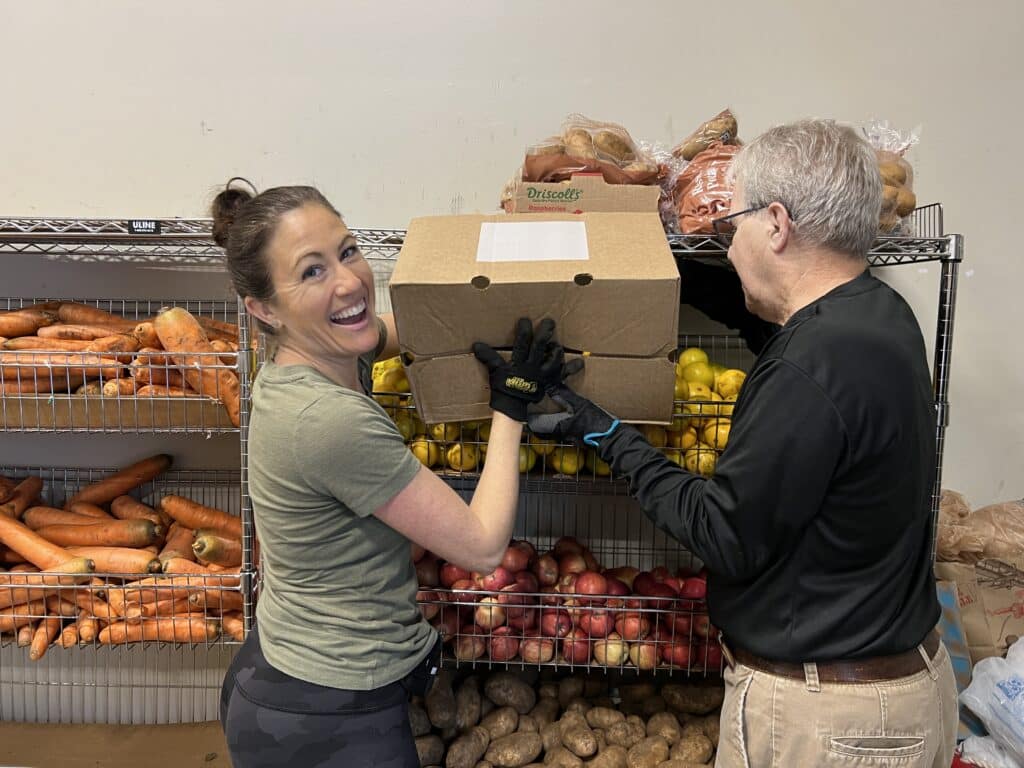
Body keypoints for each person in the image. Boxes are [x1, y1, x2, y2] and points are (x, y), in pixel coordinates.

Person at [529, 119, 958, 767]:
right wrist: (652, 257)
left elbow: (721, 533)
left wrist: (607, 432)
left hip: (827, 721)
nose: (729, 247)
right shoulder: (876, 316)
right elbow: (777, 332)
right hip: (893, 691)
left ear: (777, 224)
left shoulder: (808, 369)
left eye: (734, 228)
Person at [211, 181, 572, 767]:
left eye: (347, 251)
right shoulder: (329, 422)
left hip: (286, 667)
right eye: (311, 272)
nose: (349, 281)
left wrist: (498, 320)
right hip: (321, 714)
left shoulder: (304, 358)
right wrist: (511, 405)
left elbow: (389, 332)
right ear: (262, 309)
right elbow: (482, 546)